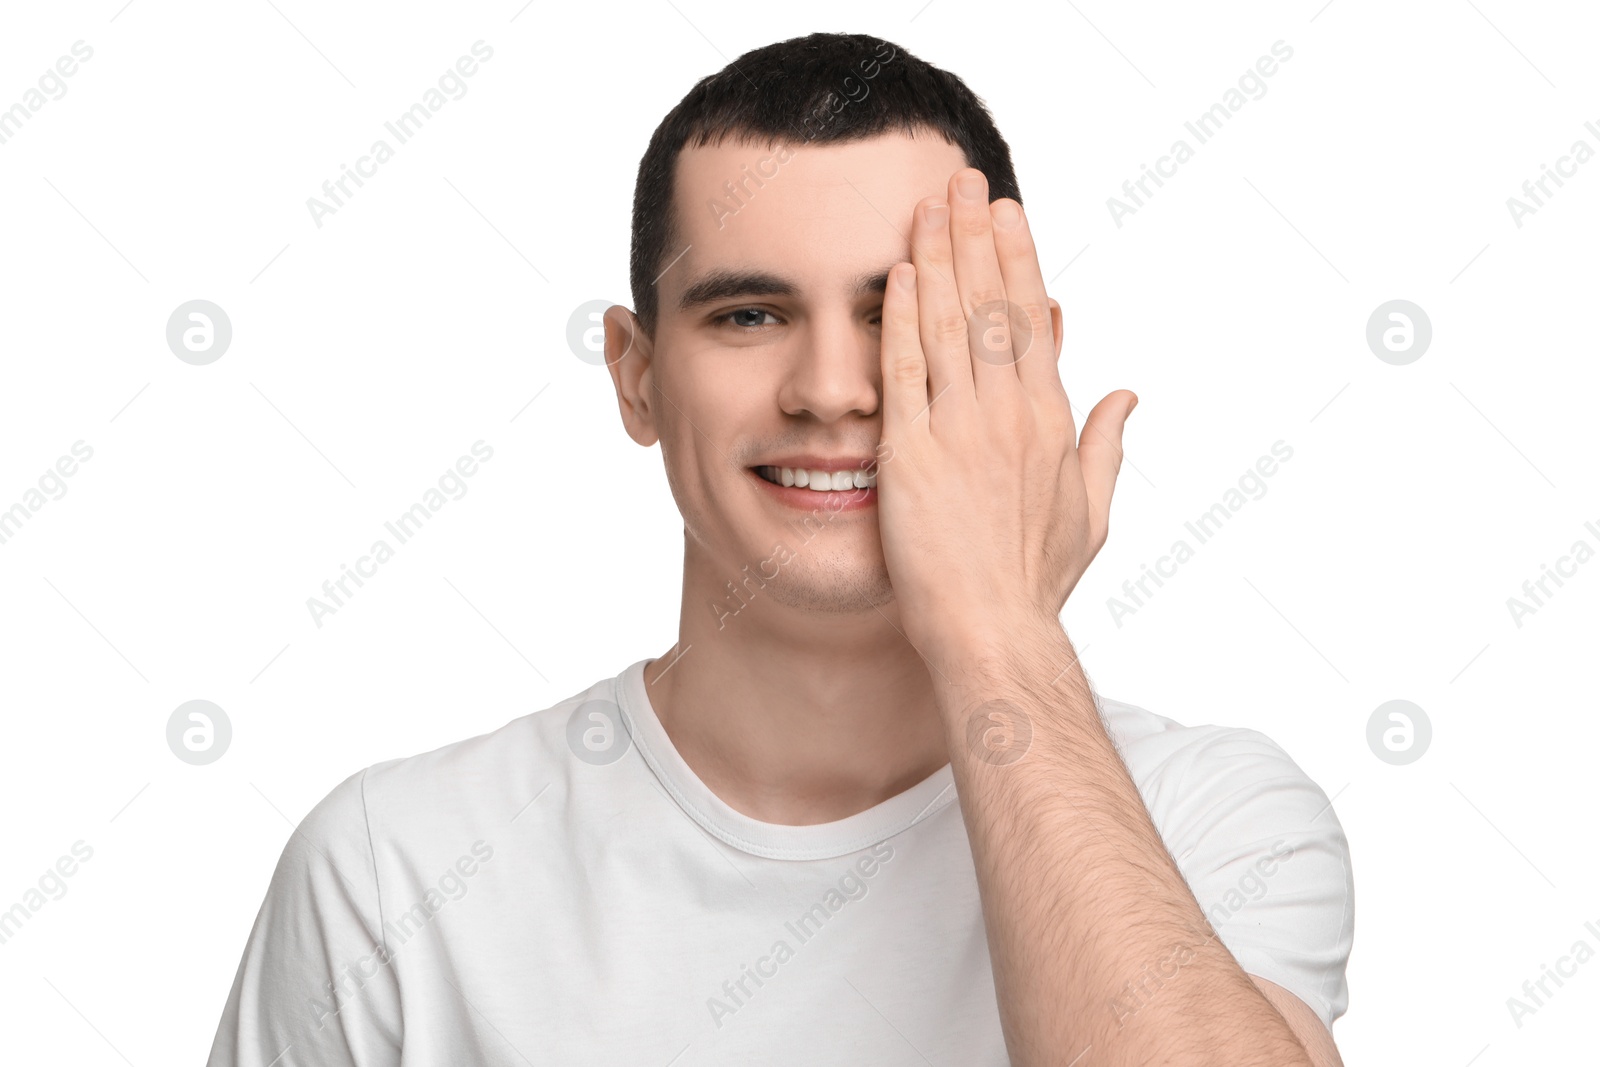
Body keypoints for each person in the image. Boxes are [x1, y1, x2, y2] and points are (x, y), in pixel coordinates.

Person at [207, 31, 1352, 1066]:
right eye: (749, 314)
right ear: (636, 373)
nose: (830, 391)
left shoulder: (1214, 821)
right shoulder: (389, 868)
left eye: (896, 314)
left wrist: (1001, 631)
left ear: (1023, 363)